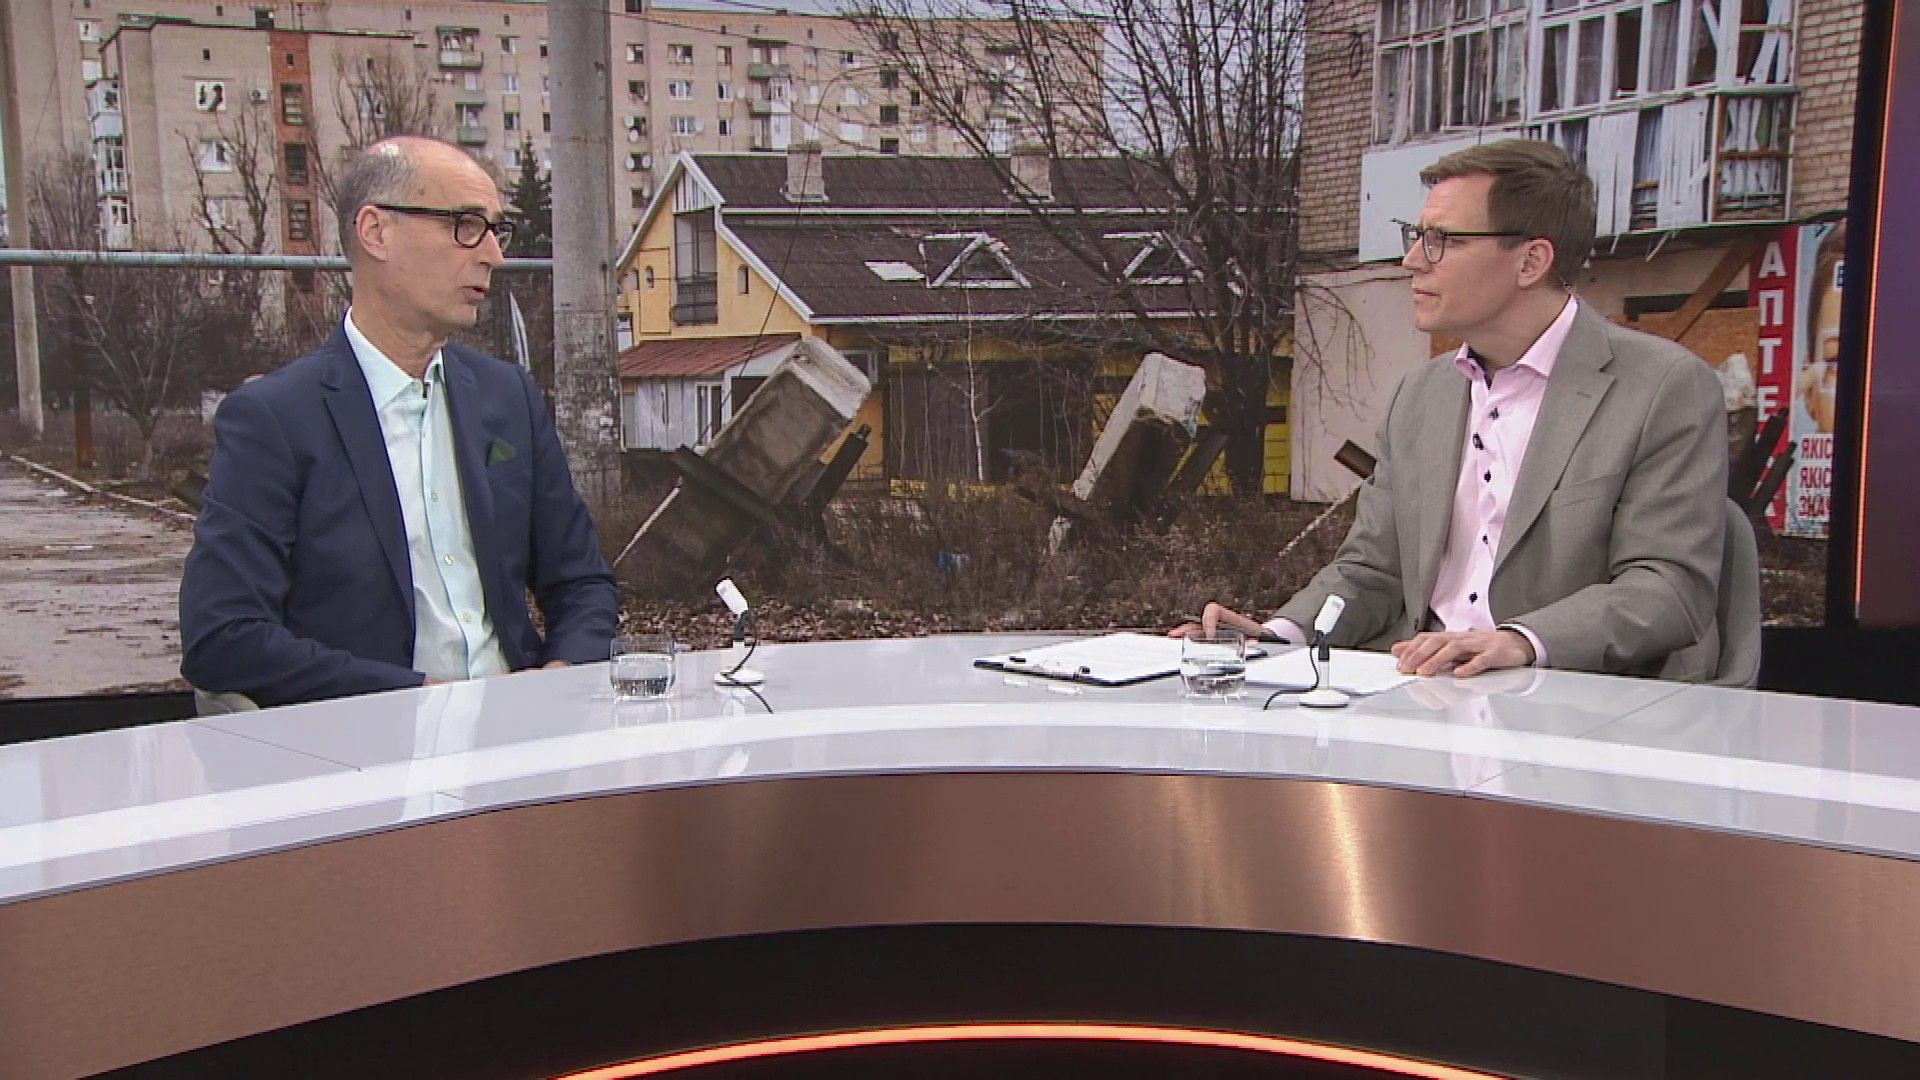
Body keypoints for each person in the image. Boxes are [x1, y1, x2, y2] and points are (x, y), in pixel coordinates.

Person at [1177, 139, 1727, 681]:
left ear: (1531, 261)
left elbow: (1669, 586)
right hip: (1417, 690)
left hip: (1567, 699)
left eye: (1442, 240)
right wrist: (1279, 637)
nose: (1413, 260)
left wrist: (1521, 641)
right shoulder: (1419, 396)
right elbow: (1372, 569)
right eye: (1417, 236)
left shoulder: (1663, 388)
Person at [180, 136, 617, 707]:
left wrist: (558, 677)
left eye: (495, 230)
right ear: (376, 231)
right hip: (371, 741)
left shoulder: (509, 398)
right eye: (466, 225)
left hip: (524, 729)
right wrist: (418, 700)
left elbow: (582, 584)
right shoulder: (274, 420)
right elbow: (222, 637)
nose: (493, 255)